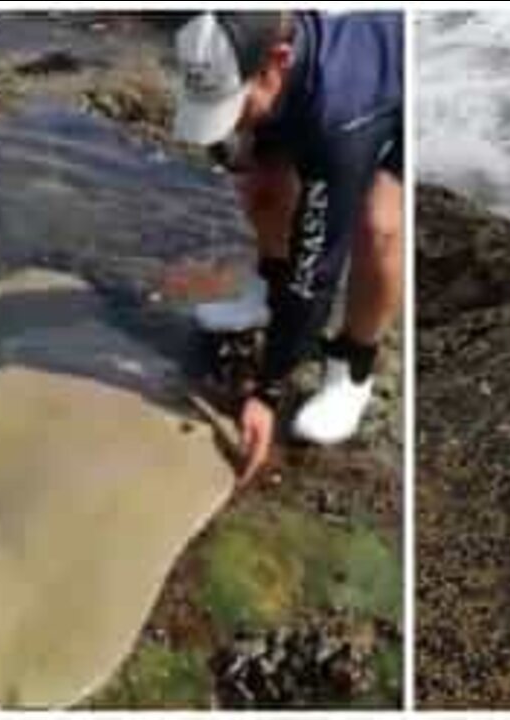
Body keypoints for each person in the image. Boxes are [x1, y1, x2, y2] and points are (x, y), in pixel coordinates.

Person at [166, 11, 403, 481]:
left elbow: (316, 271)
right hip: (304, 88)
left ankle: (352, 369)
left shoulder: (337, 122)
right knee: (261, 185)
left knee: (377, 226)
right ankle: (267, 294)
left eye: (235, 106)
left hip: (397, 86)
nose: (228, 124)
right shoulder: (223, 37)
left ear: (277, 62)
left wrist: (268, 392)